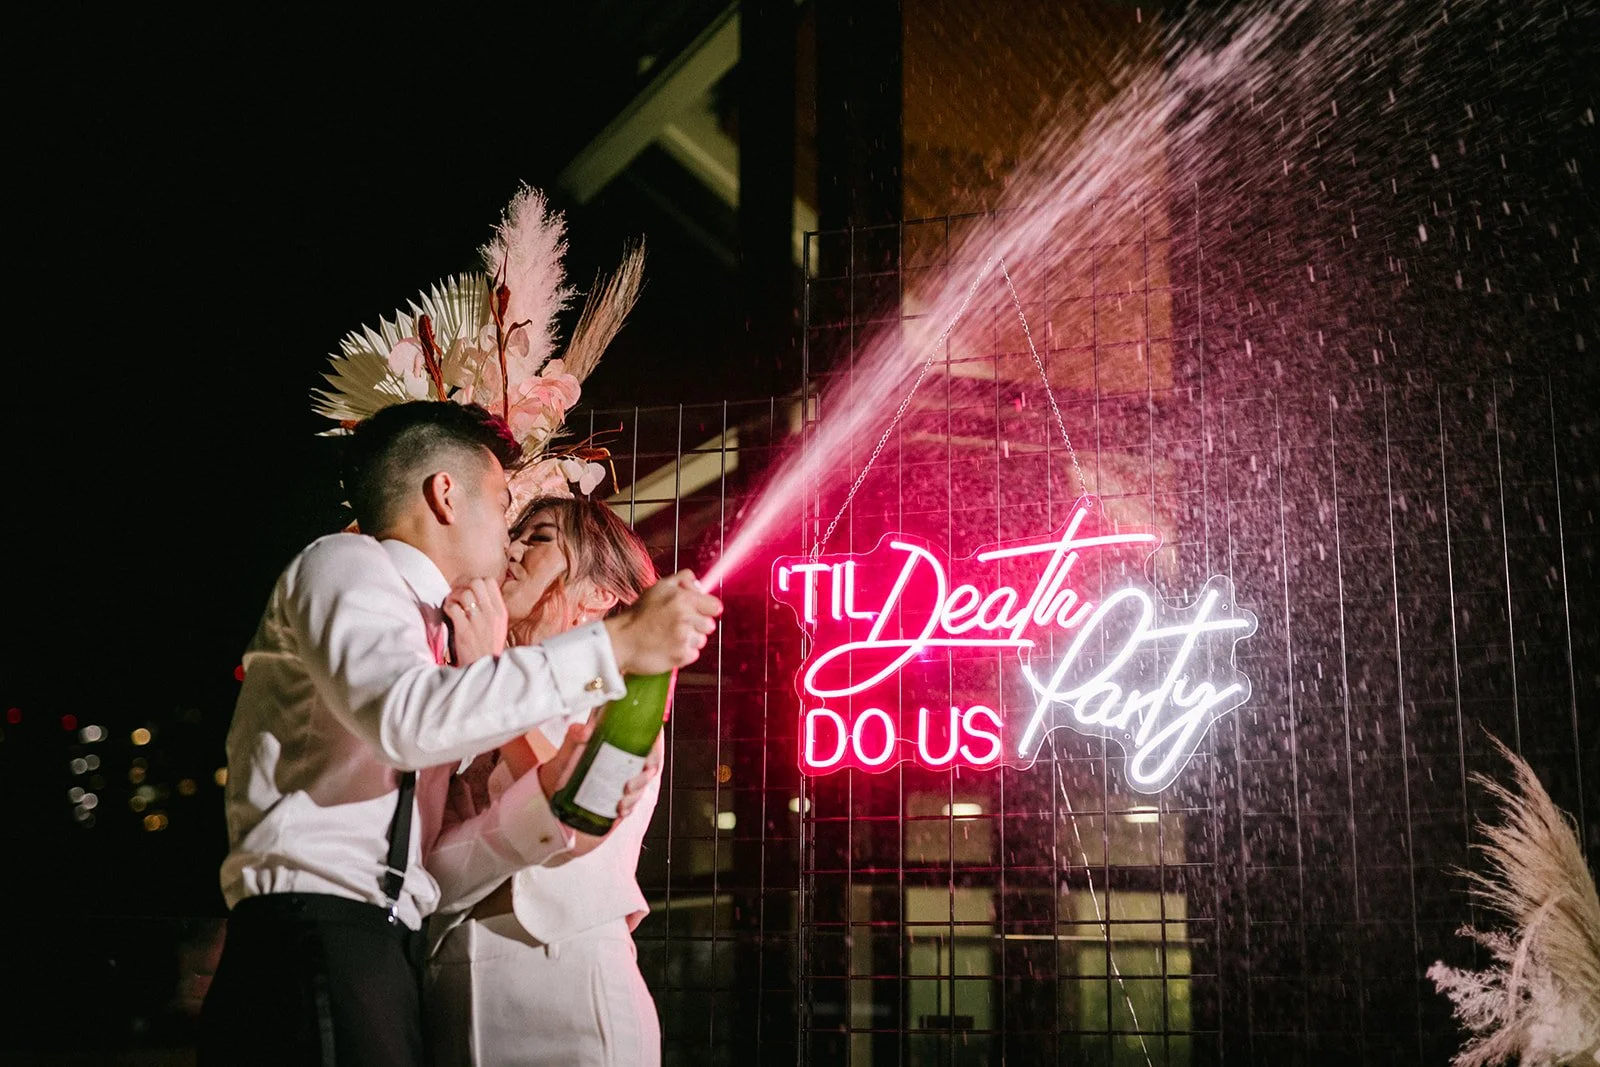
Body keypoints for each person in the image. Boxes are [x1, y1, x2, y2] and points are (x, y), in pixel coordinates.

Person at [197, 401, 722, 1067]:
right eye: (508, 505)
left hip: (522, 985)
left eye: (539, 534)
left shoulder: (569, 692)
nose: (510, 536)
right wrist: (593, 648)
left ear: (601, 592)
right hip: (363, 949)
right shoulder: (353, 568)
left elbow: (555, 835)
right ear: (446, 493)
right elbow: (413, 734)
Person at [425, 496, 668, 1066]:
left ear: (598, 594)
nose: (511, 548)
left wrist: (491, 675)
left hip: (573, 993)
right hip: (450, 989)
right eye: (513, 533)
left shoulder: (619, 702)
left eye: (539, 537)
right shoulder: (452, 686)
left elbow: (566, 804)